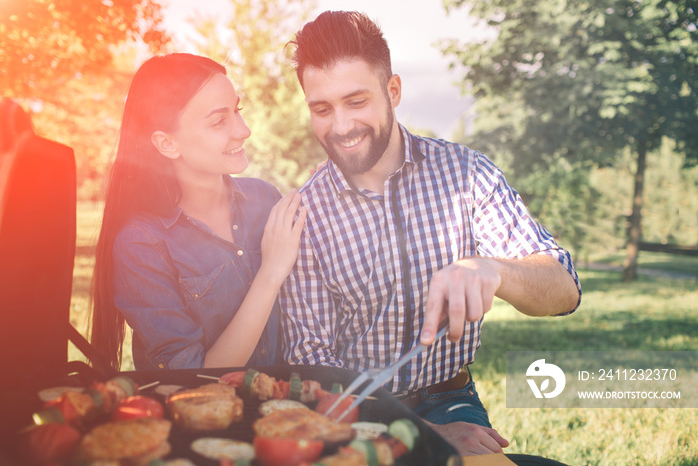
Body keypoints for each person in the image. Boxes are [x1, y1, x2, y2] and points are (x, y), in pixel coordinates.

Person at [279, 11, 582, 456]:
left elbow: (565, 290)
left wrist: (495, 270)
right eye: (322, 109)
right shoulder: (304, 214)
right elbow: (313, 366)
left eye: (356, 101)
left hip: (453, 399)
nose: (340, 126)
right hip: (357, 412)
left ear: (393, 90)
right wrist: (420, 431)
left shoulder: (467, 173)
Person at [90, 53, 306, 371]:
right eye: (220, 121)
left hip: (283, 413)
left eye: (237, 111)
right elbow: (195, 379)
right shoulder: (141, 244)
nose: (244, 130)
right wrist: (270, 274)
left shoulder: (265, 199)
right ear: (167, 144)